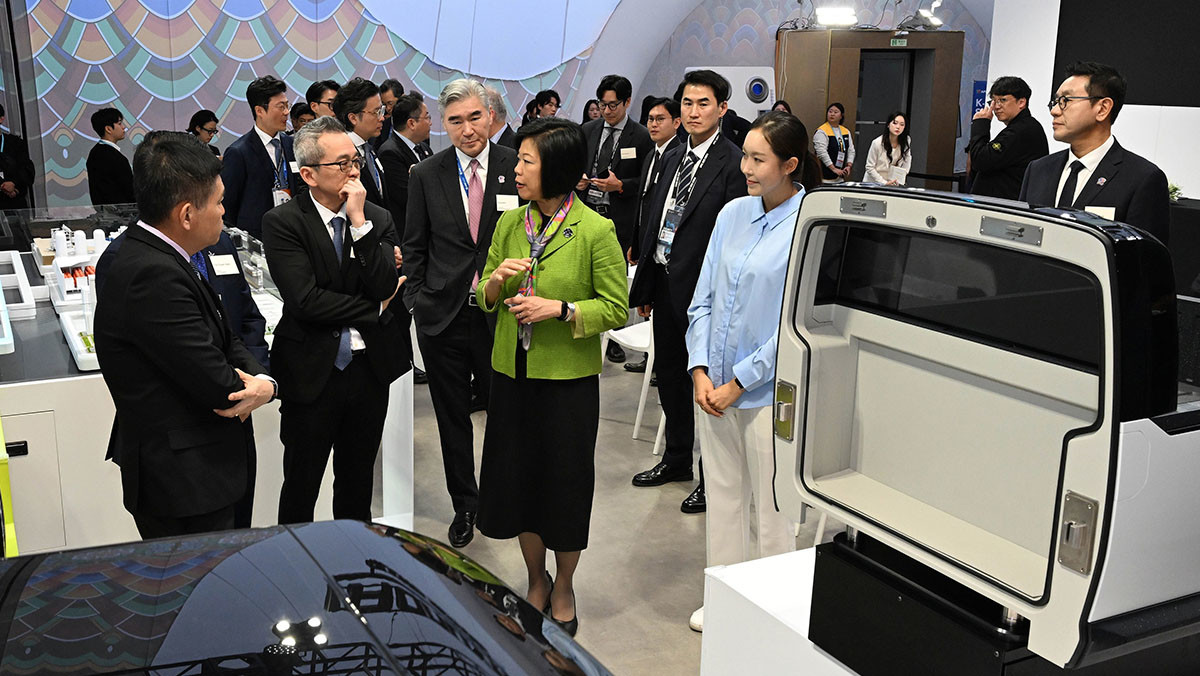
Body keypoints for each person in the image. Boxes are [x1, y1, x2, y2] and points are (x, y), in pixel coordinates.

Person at [476, 116, 629, 638]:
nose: (515, 170)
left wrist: (560, 310)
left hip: (567, 385)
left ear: (557, 168)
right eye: (517, 159)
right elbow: (484, 300)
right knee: (518, 484)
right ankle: (534, 579)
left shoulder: (595, 231)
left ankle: (563, 585)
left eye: (526, 161)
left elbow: (616, 308)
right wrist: (494, 284)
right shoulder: (508, 223)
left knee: (562, 488)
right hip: (512, 378)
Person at [93, 131, 276, 539]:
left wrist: (262, 380)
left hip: (206, 469)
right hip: (186, 481)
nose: (225, 212)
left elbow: (226, 334)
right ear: (187, 214)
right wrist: (259, 389)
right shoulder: (149, 273)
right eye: (219, 202)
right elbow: (217, 383)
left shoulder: (170, 256)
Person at [685, 110, 820, 632]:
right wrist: (699, 370)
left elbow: (792, 324)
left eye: (758, 159)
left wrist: (739, 381)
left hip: (767, 393)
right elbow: (704, 299)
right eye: (745, 155)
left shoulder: (809, 223)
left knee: (773, 509)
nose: (746, 166)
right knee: (721, 501)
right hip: (711, 389)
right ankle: (723, 596)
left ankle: (773, 613)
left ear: (790, 165)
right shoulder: (733, 214)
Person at [263, 116, 407, 524]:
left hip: (368, 370)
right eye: (340, 164)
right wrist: (372, 310)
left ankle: (352, 566)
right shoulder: (283, 223)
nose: (352, 170)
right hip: (311, 370)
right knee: (301, 485)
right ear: (308, 174)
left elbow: (384, 286)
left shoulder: (376, 218)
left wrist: (359, 225)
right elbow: (305, 299)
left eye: (355, 160)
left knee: (357, 482)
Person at [403, 79, 520, 548]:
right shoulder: (425, 174)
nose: (467, 129)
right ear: (443, 124)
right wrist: (417, 299)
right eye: (455, 121)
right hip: (443, 316)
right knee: (452, 419)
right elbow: (414, 244)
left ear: (490, 116)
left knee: (503, 411)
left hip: (502, 315)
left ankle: (498, 499)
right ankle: (464, 505)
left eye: (475, 117)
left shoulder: (517, 166)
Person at [628, 69, 748, 514]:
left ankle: (710, 478)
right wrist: (645, 282)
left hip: (705, 295)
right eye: (688, 103)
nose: (693, 112)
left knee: (707, 386)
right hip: (663, 283)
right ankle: (677, 458)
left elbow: (734, 237)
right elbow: (654, 222)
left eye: (703, 104)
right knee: (672, 379)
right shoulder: (671, 155)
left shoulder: (734, 162)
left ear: (722, 109)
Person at [1020, 61, 1170, 244]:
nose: (1054, 111)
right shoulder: (1038, 169)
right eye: (1055, 101)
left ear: (1103, 108)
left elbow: (1145, 261)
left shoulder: (1142, 179)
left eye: (1065, 101)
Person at [624, 96, 682, 375]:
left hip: (664, 248)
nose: (654, 124)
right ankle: (652, 360)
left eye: (661, 119)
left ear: (677, 122)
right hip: (645, 240)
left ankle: (659, 364)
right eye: (650, 119)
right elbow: (643, 202)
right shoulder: (652, 154)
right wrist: (636, 242)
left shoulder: (678, 156)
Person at [378, 91, 433, 384]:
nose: (430, 122)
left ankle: (412, 361)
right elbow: (408, 196)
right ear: (411, 122)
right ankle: (404, 365)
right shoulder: (390, 151)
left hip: (423, 240)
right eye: (426, 117)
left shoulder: (422, 150)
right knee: (400, 306)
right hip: (403, 239)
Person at [577, 74, 653, 260]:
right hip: (585, 211)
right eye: (602, 105)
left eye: (613, 105)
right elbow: (575, 164)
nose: (607, 111)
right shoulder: (587, 130)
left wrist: (620, 185)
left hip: (620, 219)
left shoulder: (642, 136)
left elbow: (647, 182)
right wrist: (576, 180)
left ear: (627, 102)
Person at [221, 75, 297, 240]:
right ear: (260, 111)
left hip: (292, 233)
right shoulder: (239, 152)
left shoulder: (293, 145)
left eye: (287, 105)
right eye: (281, 106)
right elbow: (228, 207)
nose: (287, 112)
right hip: (258, 238)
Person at [967, 76, 1049, 199]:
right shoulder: (1022, 127)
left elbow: (980, 160)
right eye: (994, 101)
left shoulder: (1022, 130)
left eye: (1003, 100)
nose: (996, 107)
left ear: (1021, 102)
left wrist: (981, 124)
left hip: (1006, 208)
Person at [333, 77, 387, 208]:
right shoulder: (340, 155)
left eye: (382, 110)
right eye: (376, 112)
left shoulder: (369, 148)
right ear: (353, 118)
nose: (382, 118)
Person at [86, 108, 135, 205]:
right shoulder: (113, 157)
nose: (123, 127)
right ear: (108, 129)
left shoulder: (94, 152)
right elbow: (129, 190)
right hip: (122, 214)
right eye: (119, 123)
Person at [0, 104, 35, 210]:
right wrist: (2, 186)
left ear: (1, 119)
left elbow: (27, 169)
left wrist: (14, 184)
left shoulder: (15, 143)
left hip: (15, 203)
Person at [864, 111, 912, 185]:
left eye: (902, 124)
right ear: (888, 125)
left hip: (892, 183)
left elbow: (907, 159)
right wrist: (884, 183)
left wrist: (902, 175)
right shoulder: (877, 143)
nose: (898, 127)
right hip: (873, 183)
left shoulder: (906, 141)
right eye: (895, 123)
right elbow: (869, 167)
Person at [813, 102, 854, 183]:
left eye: (835, 112)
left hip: (839, 176)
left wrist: (849, 165)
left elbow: (851, 150)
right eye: (830, 111)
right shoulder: (822, 131)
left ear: (841, 116)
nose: (832, 114)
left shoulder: (845, 131)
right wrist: (833, 168)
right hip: (824, 177)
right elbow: (821, 152)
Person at [374, 78, 405, 151]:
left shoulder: (414, 124)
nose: (388, 108)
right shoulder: (383, 125)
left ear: (402, 98)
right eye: (384, 104)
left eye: (390, 103)